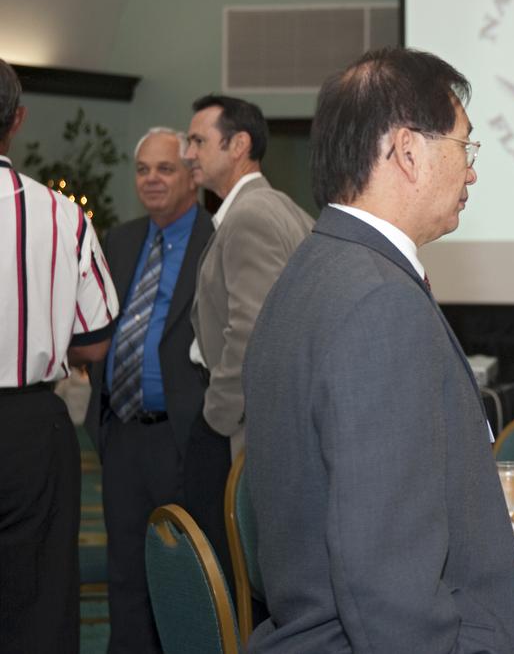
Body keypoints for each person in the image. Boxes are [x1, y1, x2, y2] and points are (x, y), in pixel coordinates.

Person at [242, 47, 514, 652]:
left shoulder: (313, 271)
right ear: (408, 150)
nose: (472, 171)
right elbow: (387, 576)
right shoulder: (380, 301)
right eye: (465, 147)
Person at [0, 58, 118, 654]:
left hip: (32, 426)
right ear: (16, 120)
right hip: (32, 430)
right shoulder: (62, 214)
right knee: (40, 603)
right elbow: (96, 340)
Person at [86, 127, 215, 653]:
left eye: (165, 168)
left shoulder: (216, 239)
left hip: (187, 438)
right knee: (125, 577)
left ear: (191, 176)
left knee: (188, 579)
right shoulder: (119, 239)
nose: (152, 180)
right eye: (143, 170)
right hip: (122, 437)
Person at [184, 94, 313, 571]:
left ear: (239, 144)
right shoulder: (279, 206)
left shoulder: (250, 216)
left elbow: (251, 333)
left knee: (229, 573)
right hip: (266, 421)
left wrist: (215, 418)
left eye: (199, 140)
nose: (189, 153)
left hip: (240, 426)